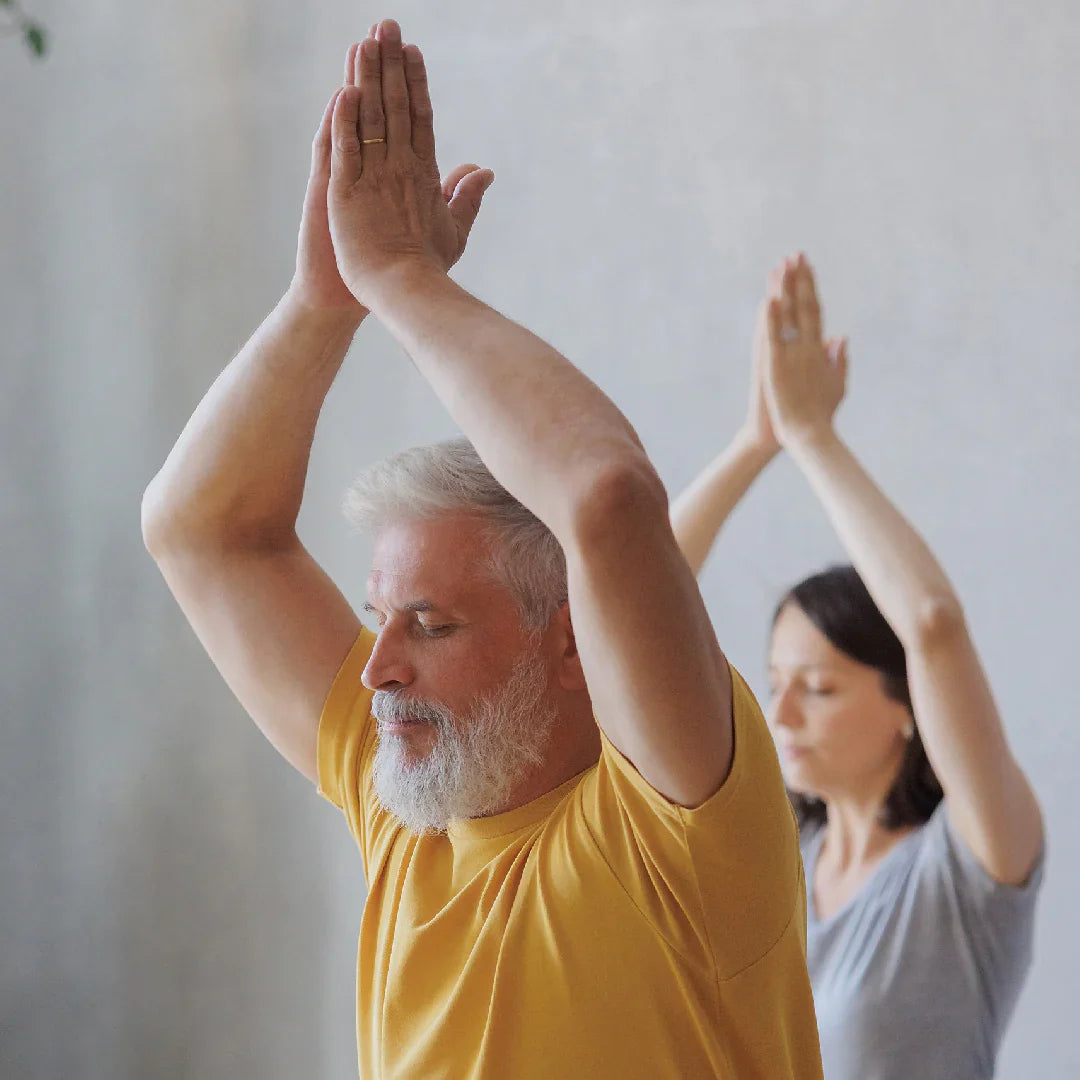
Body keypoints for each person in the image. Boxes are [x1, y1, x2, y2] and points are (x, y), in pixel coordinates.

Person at [141, 20, 824, 1080]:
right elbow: (200, 531)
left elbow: (607, 497)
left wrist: (406, 280)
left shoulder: (675, 832)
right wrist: (324, 303)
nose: (378, 667)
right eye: (382, 619)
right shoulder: (406, 801)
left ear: (570, 645)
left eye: (432, 622)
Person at [671, 254, 1045, 1080]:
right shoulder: (773, 856)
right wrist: (752, 443)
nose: (783, 715)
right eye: (774, 686)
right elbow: (628, 619)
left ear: (906, 704)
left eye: (820, 687)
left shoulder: (971, 866)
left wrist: (812, 439)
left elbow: (934, 625)